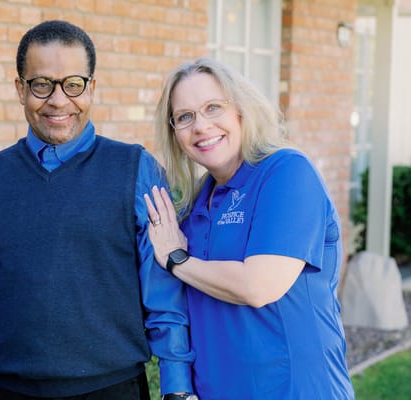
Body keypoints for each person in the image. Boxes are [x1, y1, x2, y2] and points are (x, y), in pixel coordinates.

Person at [0, 20, 195, 400]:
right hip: (4, 390)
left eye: (73, 84)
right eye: (42, 84)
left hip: (111, 388)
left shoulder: (135, 169)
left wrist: (176, 388)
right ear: (20, 89)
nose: (58, 100)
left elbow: (164, 291)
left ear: (92, 88)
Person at [143, 57, 354, 399]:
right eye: (185, 117)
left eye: (213, 107)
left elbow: (259, 286)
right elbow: (175, 305)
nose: (200, 126)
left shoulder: (286, 172)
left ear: (241, 109)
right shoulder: (195, 206)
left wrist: (176, 259)